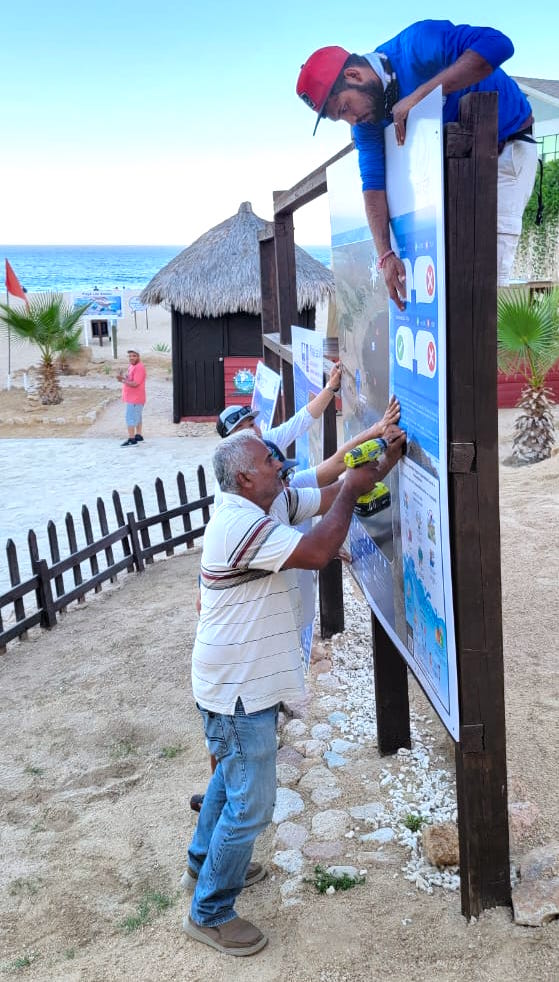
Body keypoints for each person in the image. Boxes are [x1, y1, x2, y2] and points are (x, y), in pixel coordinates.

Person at [182, 427, 406, 956]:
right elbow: (322, 546)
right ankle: (210, 912)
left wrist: (379, 467)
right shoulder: (240, 524)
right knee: (252, 806)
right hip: (238, 688)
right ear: (243, 476)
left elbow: (324, 495)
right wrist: (354, 489)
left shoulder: (265, 500)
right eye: (269, 460)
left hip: (238, 679)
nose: (281, 465)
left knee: (229, 778)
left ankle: (200, 862)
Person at [297, 21, 538, 297]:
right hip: (456, 168)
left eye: (346, 108)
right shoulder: (365, 123)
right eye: (341, 118)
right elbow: (373, 186)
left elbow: (499, 45)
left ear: (354, 75)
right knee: (449, 282)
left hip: (506, 150)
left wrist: (422, 95)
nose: (352, 121)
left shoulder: (416, 45)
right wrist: (385, 256)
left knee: (485, 281)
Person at [216, 360, 342, 451]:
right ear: (229, 443)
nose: (252, 431)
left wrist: (331, 387)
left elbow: (300, 421)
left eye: (252, 424)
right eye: (241, 430)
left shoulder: (264, 441)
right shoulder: (232, 477)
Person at [116, 348, 146, 447]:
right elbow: (130, 379)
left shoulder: (139, 367)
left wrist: (122, 381)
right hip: (133, 398)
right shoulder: (132, 366)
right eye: (130, 356)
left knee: (130, 418)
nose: (131, 358)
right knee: (137, 417)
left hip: (135, 398)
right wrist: (123, 377)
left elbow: (135, 383)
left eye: (134, 355)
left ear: (138, 356)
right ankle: (139, 435)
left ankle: (132, 439)